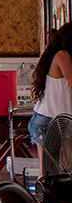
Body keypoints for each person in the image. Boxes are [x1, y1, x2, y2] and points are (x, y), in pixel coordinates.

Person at [29, 23, 72, 167]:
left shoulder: (57, 55)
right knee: (54, 170)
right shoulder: (62, 56)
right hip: (51, 121)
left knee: (49, 171)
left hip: (48, 119)